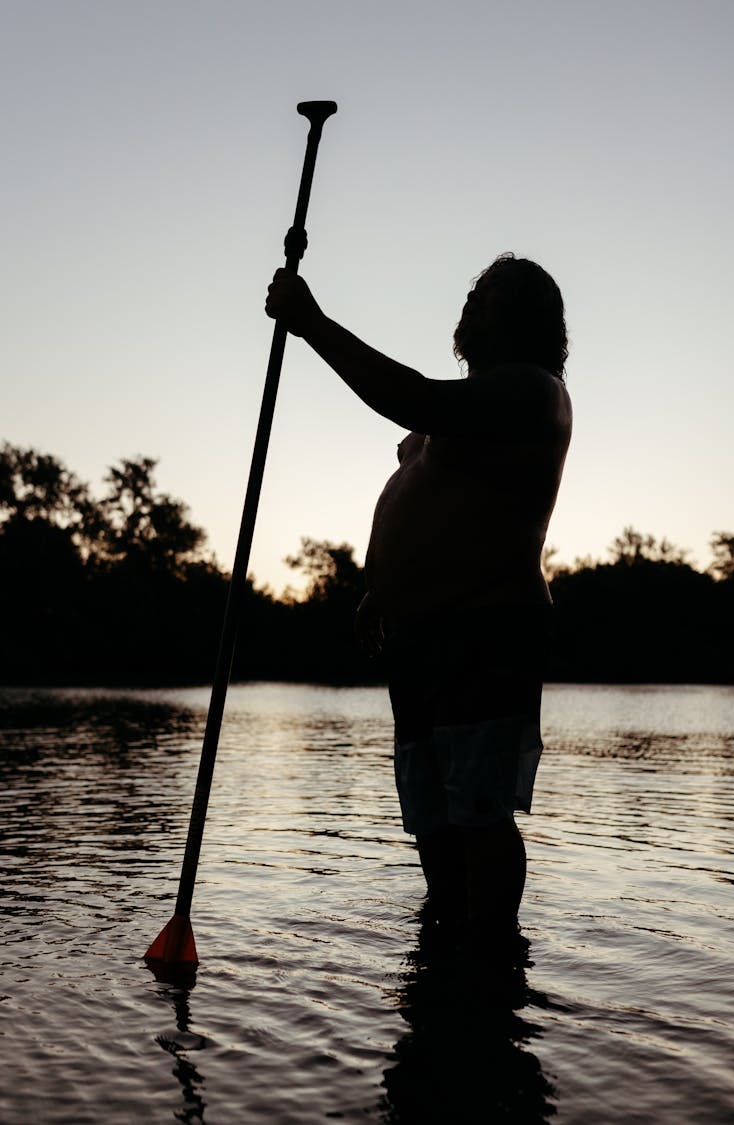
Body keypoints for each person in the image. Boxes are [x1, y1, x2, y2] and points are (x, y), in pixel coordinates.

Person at [265, 253, 572, 946]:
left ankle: (491, 956)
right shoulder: (473, 402)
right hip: (421, 633)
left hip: (488, 629)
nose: (470, 302)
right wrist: (384, 588)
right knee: (432, 814)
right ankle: (447, 948)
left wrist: (312, 323)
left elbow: (413, 397)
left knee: (479, 810)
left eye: (487, 295)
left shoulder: (533, 391)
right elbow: (441, 498)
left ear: (523, 318)